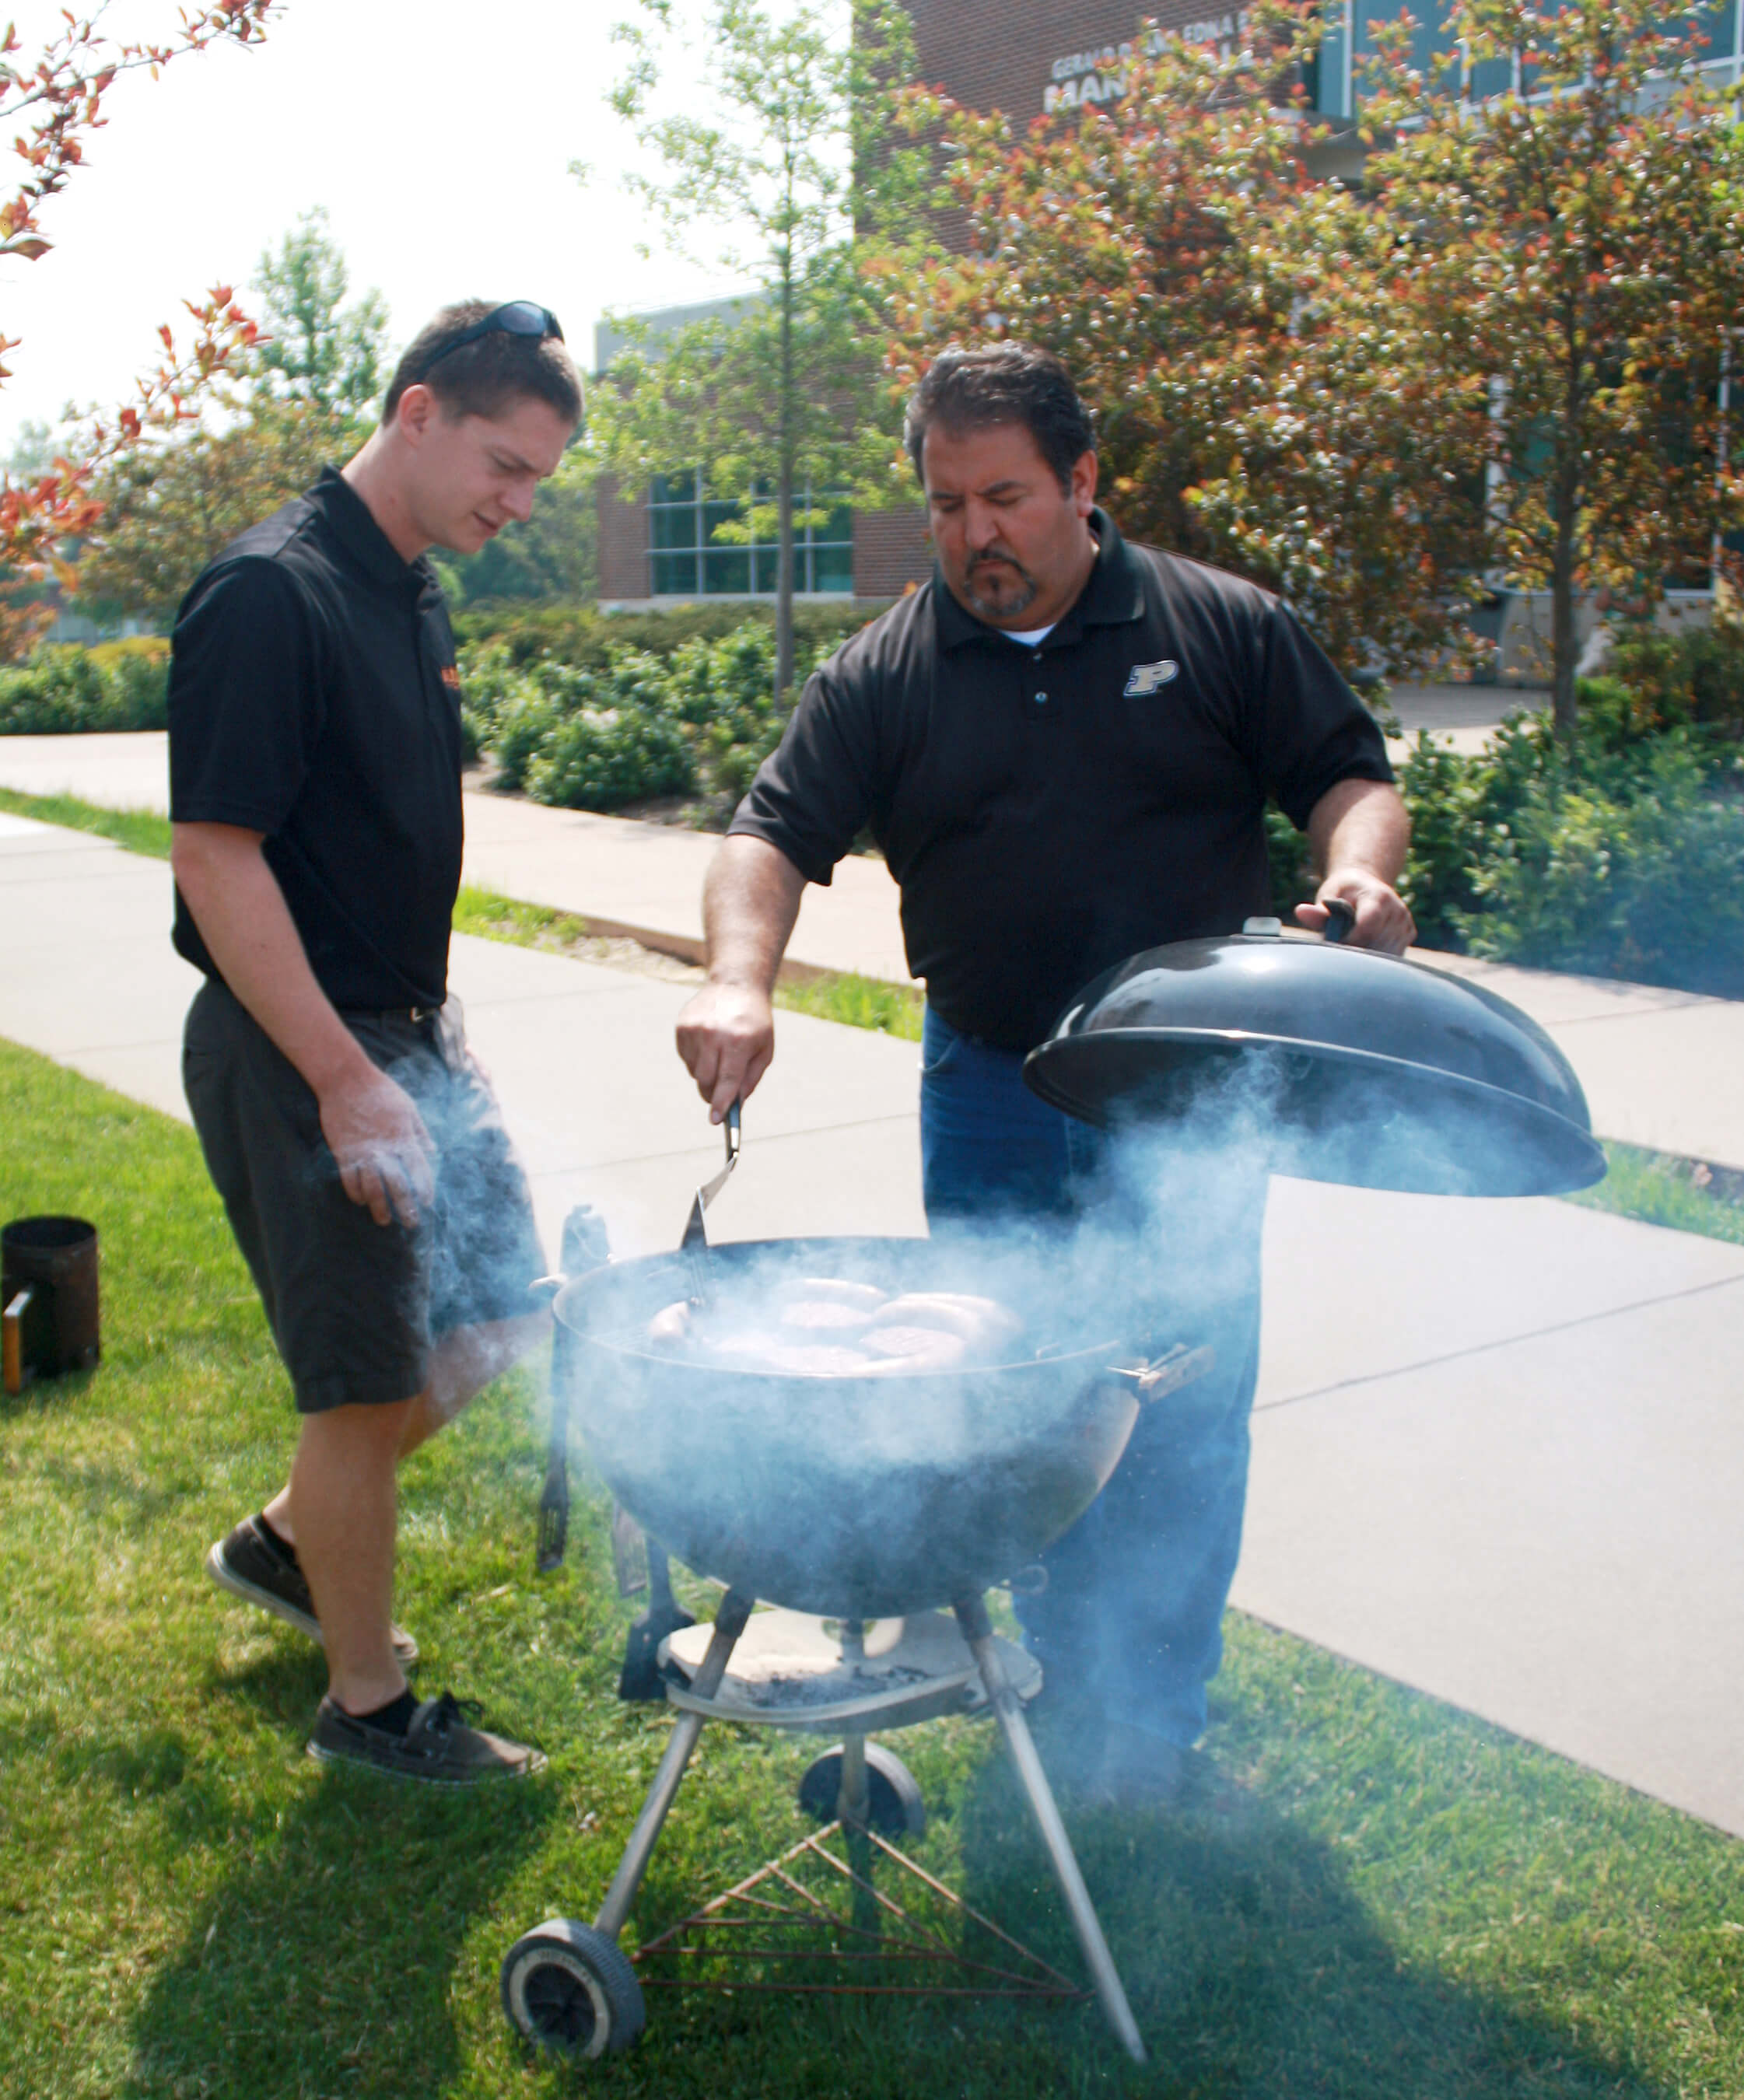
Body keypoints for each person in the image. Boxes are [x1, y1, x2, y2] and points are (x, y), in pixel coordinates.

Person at [674, 343, 1415, 1805]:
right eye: (945, 504)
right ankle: (1046, 1667)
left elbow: (1351, 774)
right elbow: (765, 835)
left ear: (1082, 484)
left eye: (1003, 497)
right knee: (1006, 1391)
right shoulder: (891, 668)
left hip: (1184, 1100)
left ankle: (1148, 1723)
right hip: (992, 1087)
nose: (972, 536)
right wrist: (735, 977)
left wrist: (1356, 874)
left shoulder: (1216, 626)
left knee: (1183, 1405)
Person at [174, 300, 581, 1783]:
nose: (518, 502)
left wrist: (404, 1060)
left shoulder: (411, 588)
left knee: (492, 1326)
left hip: (412, 1033)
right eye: (503, 463)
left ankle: (291, 1540)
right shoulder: (269, 594)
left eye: (539, 478)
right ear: (416, 413)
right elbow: (217, 857)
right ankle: (365, 1710)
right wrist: (345, 1084)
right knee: (358, 1381)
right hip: (305, 1046)